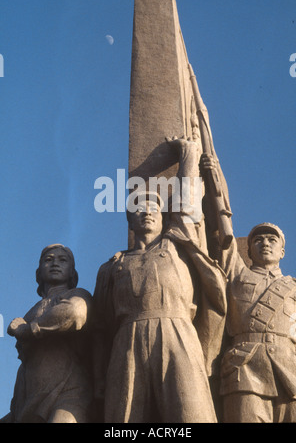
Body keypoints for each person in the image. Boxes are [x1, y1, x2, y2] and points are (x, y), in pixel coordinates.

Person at [92, 136, 227, 423]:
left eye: (154, 206)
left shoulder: (176, 245)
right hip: (126, 339)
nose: (147, 212)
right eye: (139, 208)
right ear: (130, 219)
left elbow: (187, 203)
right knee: (123, 421)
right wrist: (98, 375)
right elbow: (100, 327)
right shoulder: (112, 267)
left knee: (191, 415)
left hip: (176, 330)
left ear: (163, 216)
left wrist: (189, 153)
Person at [201, 154, 296, 423]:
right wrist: (214, 176)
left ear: (282, 250)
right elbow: (222, 225)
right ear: (250, 249)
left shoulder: (294, 288)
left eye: (271, 239)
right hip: (245, 370)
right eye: (258, 239)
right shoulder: (238, 276)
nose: (265, 243)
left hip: (291, 371)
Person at [4, 244, 93, 423]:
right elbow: (26, 365)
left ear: (71, 273)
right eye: (48, 259)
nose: (55, 263)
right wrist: (14, 410)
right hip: (30, 398)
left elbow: (74, 313)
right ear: (39, 272)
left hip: (68, 392)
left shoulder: (78, 294)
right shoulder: (31, 312)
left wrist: (29, 329)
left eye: (62, 260)